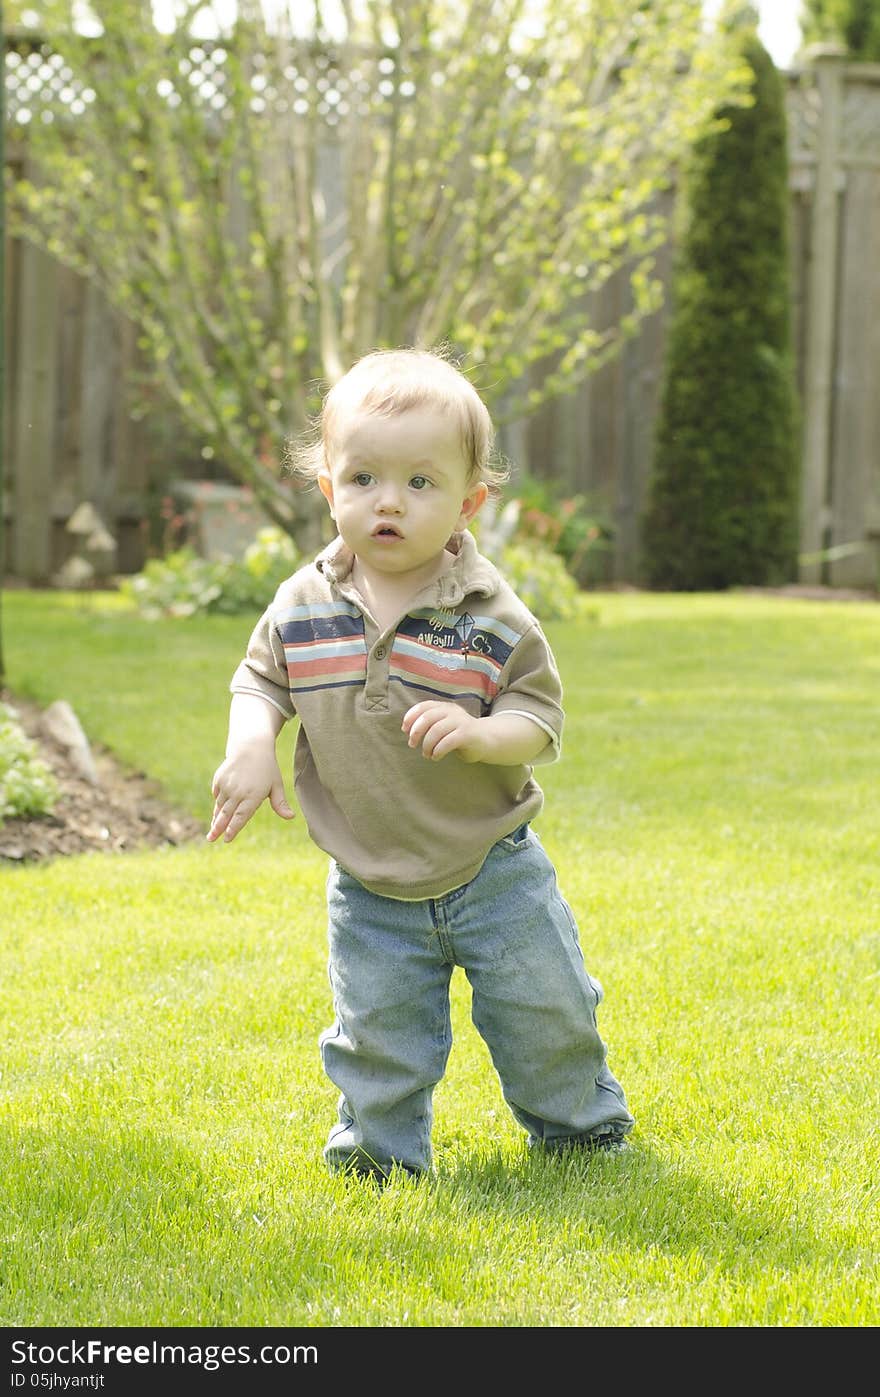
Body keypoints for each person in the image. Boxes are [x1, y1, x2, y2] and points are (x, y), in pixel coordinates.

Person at [207, 347, 633, 1179]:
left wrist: (481, 735)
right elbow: (260, 677)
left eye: (420, 483)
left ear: (468, 502)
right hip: (370, 881)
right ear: (330, 489)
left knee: (546, 1010)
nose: (388, 501)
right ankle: (380, 1155)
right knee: (376, 1030)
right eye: (363, 478)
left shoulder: (490, 613)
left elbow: (537, 717)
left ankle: (580, 1131)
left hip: (492, 868)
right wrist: (252, 742)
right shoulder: (304, 604)